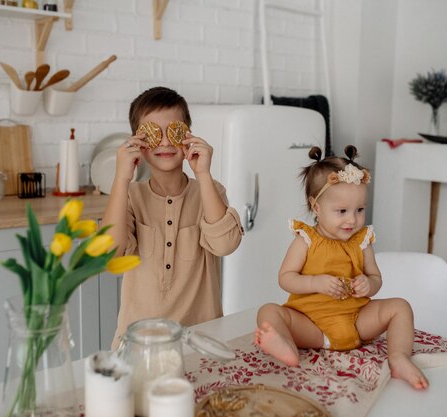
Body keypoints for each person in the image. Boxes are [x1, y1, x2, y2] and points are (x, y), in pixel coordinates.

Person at [255, 145, 428, 390]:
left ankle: (399, 357)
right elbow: (285, 278)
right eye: (342, 211)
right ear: (316, 207)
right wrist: (316, 282)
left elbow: (376, 278)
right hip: (311, 326)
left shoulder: (362, 240)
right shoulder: (305, 240)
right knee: (269, 311)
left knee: (400, 306)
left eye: (359, 210)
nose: (352, 220)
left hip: (357, 322)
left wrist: (369, 284)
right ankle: (286, 346)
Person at [104, 86, 243, 350]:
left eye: (174, 130)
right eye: (154, 133)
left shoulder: (210, 192)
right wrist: (121, 179)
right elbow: (111, 254)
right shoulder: (130, 196)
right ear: (138, 141)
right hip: (138, 344)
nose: (166, 141)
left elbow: (225, 245)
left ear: (188, 134)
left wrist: (203, 174)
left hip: (201, 340)